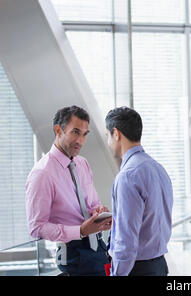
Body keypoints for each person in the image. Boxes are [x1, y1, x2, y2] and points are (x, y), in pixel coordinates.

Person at [25, 105, 112, 276]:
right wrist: (80, 231)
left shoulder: (82, 164)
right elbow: (36, 227)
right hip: (73, 255)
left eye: (84, 134)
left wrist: (99, 212)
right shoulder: (42, 173)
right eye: (75, 132)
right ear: (58, 130)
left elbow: (92, 204)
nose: (80, 141)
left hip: (100, 250)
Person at [105, 106, 173, 276]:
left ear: (116, 133)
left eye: (108, 136)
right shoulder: (158, 168)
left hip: (137, 269)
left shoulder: (128, 176)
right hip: (159, 265)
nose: (108, 142)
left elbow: (125, 240)